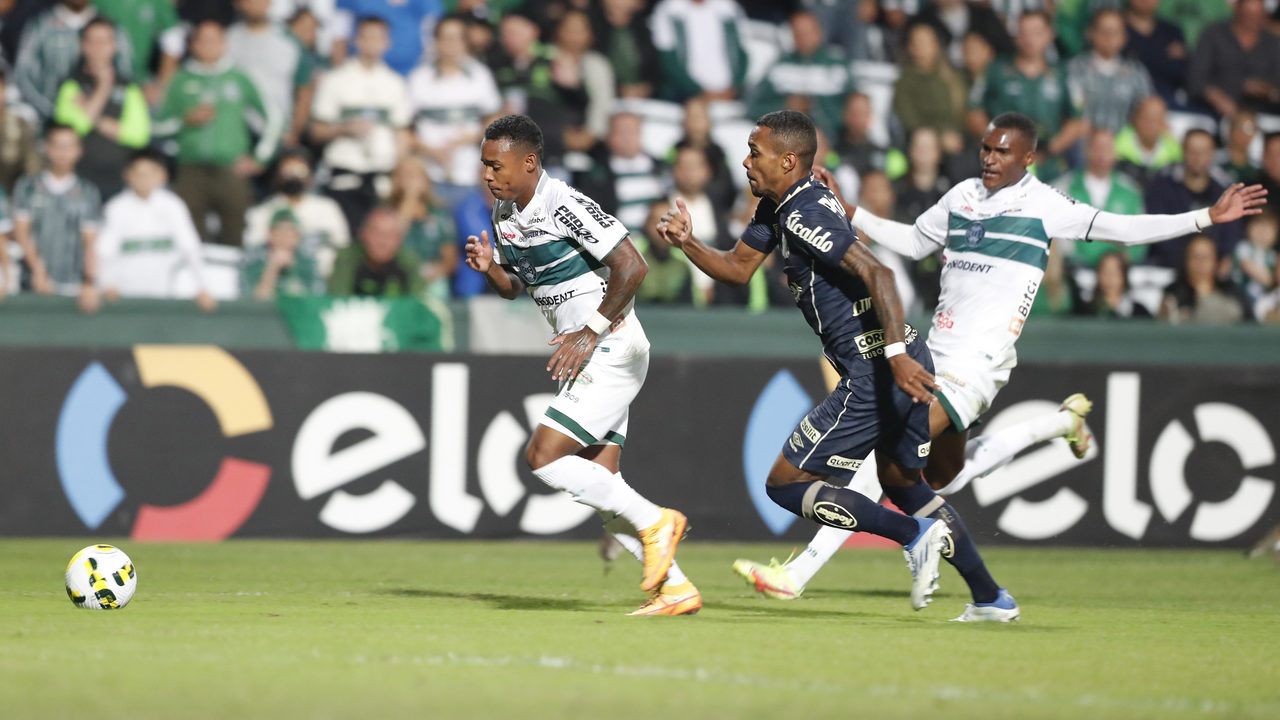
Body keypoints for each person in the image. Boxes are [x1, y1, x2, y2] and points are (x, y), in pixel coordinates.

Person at [727, 111, 1266, 614]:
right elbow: (914, 243)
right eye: (985, 149)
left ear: (1027, 158)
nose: (989, 159)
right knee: (938, 479)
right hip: (933, 352)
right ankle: (1006, 557)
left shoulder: (1045, 206)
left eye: (1002, 153)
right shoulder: (962, 195)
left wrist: (1204, 218)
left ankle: (799, 574)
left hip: (979, 364)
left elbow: (1121, 228)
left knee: (878, 463)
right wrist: (854, 214)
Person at [656, 109, 973, 618]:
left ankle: (915, 536)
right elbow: (738, 270)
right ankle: (989, 596)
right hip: (899, 354)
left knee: (785, 484)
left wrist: (893, 359)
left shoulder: (805, 215)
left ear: (787, 160)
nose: (745, 161)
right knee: (903, 482)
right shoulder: (777, 206)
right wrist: (688, 241)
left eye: (755, 152)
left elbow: (881, 274)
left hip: (877, 368)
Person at [463, 114, 698, 616]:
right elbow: (516, 288)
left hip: (611, 344)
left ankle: (657, 521)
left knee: (542, 457)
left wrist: (589, 330)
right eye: (483, 164)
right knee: (600, 487)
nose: (487, 174)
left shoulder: (563, 203)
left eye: (495, 164)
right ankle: (676, 588)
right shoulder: (506, 214)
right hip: (595, 351)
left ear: (529, 162)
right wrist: (491, 270)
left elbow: (633, 266)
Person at [154, 20, 283, 246]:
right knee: (188, 233)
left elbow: (273, 118)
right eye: (203, 41)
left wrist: (260, 157)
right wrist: (186, 120)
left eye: (214, 40)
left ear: (224, 44)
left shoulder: (238, 77)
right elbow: (157, 126)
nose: (208, 46)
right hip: (190, 167)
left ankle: (234, 279)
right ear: (193, 45)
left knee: (235, 231)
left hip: (231, 167)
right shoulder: (181, 79)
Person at [310, 15, 412, 233]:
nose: (372, 43)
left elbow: (402, 134)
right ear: (356, 40)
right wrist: (344, 128)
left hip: (381, 182)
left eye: (378, 38)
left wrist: (399, 173)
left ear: (387, 43)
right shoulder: (334, 79)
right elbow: (316, 130)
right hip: (343, 179)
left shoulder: (395, 83)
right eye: (367, 37)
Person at [95, 149, 215, 311]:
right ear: (127, 175)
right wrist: (106, 284)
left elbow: (190, 247)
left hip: (166, 298)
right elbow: (104, 252)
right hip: (124, 299)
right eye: (138, 173)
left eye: (150, 173)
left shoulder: (173, 206)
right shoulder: (116, 208)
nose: (144, 179)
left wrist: (202, 286)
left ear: (162, 175)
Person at [407, 13, 501, 209]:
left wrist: (469, 138)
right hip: (429, 176)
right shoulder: (418, 78)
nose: (451, 44)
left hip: (472, 175)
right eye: (445, 38)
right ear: (436, 41)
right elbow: (405, 128)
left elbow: (495, 118)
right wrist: (430, 149)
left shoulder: (479, 75)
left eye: (457, 38)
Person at [53, 17, 150, 200]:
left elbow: (139, 136)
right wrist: (103, 88)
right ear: (83, 45)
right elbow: (73, 130)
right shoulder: (71, 85)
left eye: (104, 41)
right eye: (92, 41)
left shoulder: (129, 88)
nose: (98, 47)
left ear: (114, 46)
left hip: (120, 180)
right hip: (78, 180)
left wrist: (91, 112)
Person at [11, 124, 101, 314]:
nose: (63, 152)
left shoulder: (88, 192)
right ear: (47, 148)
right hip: (32, 283)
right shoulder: (28, 186)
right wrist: (38, 271)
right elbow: (21, 232)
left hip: (72, 286)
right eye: (58, 146)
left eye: (69, 146)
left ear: (78, 151)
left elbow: (90, 242)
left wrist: (90, 281)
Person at [14, 0, 133, 122]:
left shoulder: (110, 26)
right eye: (92, 41)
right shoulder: (42, 25)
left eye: (102, 41)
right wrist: (54, 112)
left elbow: (126, 74)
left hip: (102, 125)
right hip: (48, 123)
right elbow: (23, 75)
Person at [747, 10, 854, 142]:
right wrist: (784, 108)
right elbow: (752, 108)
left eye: (807, 32)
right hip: (787, 142)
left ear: (819, 33)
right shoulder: (780, 67)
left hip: (834, 141)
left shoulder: (838, 66)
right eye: (798, 33)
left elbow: (855, 106)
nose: (803, 38)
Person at [243, 147, 350, 278]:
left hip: (322, 281)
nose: (293, 176)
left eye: (300, 171)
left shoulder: (327, 208)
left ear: (310, 174)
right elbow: (252, 250)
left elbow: (342, 245)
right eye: (287, 171)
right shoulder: (262, 212)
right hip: (276, 280)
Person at [225, 0, 316, 149]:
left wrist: (295, 132)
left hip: (279, 131)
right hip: (236, 132)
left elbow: (304, 90)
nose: (255, 4)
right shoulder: (228, 39)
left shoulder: (290, 41)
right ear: (238, 3)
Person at [1054, 128, 1147, 268]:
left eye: (1107, 148)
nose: (1102, 154)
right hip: (1075, 270)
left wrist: (1121, 262)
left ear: (1115, 152)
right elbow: (1057, 236)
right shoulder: (1063, 188)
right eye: (1097, 147)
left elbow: (1140, 236)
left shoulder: (1130, 192)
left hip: (1119, 275)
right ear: (1086, 151)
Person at [1067, 8, 1154, 135]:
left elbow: (1147, 111)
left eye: (1115, 32)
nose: (1109, 37)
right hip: (1083, 142)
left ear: (1124, 37)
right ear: (1091, 33)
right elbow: (1072, 111)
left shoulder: (1136, 72)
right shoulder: (1075, 67)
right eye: (1103, 31)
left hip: (1123, 146)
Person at [1188, 0, 1280, 119]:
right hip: (1215, 113)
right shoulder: (1213, 35)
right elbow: (1195, 79)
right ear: (1236, 9)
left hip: (1264, 114)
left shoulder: (1273, 43)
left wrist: (1267, 90)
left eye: (1257, 16)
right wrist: (1218, 94)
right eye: (1248, 15)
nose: (1252, 20)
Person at [649, 0, 748, 102]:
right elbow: (668, 61)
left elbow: (742, 53)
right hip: (685, 92)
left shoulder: (728, 6)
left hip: (729, 93)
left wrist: (734, 87)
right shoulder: (669, 9)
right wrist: (700, 92)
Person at [388, 156, 457, 301]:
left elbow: (450, 260)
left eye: (417, 174)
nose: (412, 180)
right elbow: (390, 242)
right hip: (396, 276)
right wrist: (409, 200)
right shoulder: (387, 211)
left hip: (431, 279)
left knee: (437, 289)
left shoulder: (439, 214)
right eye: (407, 174)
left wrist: (435, 271)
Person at [327, 205, 424, 298]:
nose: (382, 241)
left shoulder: (408, 263)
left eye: (390, 235)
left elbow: (419, 303)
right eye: (376, 233)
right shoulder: (346, 259)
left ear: (400, 240)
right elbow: (339, 301)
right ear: (363, 234)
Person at [1159, 234, 1250, 324]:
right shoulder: (1173, 295)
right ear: (1186, 260)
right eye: (1195, 256)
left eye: (1206, 257)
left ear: (1216, 261)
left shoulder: (1233, 294)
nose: (1200, 262)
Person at [243, 209, 327, 299]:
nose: (284, 239)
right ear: (270, 235)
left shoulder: (307, 260)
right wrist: (272, 269)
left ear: (297, 237)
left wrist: (294, 268)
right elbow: (253, 300)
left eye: (289, 233)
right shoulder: (255, 258)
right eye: (279, 233)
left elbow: (317, 297)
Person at [1074, 249, 1152, 319]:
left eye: (1114, 272)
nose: (1109, 278)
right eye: (1105, 272)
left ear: (1124, 276)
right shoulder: (1085, 312)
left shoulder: (1139, 313)